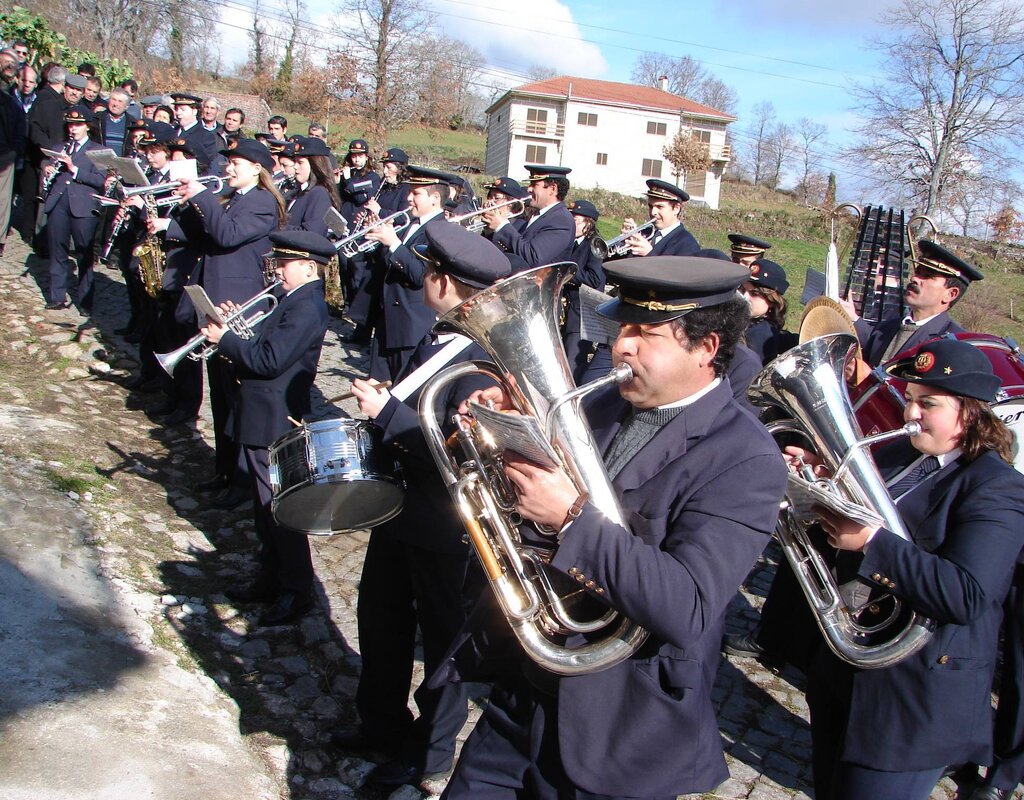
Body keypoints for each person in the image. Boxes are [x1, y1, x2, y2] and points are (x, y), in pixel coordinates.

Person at [440, 255, 788, 800]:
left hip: (620, 725)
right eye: (623, 326)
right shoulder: (601, 401)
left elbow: (688, 604)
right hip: (524, 691)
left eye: (645, 333)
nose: (621, 345)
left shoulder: (745, 458)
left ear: (707, 349)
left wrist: (571, 517)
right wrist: (502, 430)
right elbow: (532, 512)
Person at [784, 338, 1024, 800]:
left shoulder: (997, 489)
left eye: (927, 403)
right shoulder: (899, 456)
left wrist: (872, 542)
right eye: (910, 399)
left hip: (915, 698)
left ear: (971, 412)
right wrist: (815, 481)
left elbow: (967, 594)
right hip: (847, 671)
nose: (910, 413)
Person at [334, 223, 511, 791]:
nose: (424, 279)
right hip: (400, 507)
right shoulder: (438, 337)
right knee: (380, 620)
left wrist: (390, 414)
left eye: (430, 271)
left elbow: (460, 453)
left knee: (443, 643)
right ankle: (381, 721)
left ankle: (432, 752)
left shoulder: (482, 358)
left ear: (445, 281)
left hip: (446, 524)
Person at [200, 229, 330, 626]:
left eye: (284, 264)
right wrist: (239, 329)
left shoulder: (306, 305)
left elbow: (271, 360)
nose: (277, 270)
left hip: (274, 415)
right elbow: (264, 343)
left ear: (309, 268)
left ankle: (296, 590)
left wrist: (226, 341)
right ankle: (270, 577)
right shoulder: (292, 299)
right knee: (263, 507)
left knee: (280, 509)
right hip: (259, 410)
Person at [157, 138, 286, 509]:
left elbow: (227, 235)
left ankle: (243, 481)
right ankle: (224, 469)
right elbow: (205, 235)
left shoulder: (261, 202)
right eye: (228, 162)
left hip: (238, 308)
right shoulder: (234, 198)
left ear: (257, 169)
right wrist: (186, 205)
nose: (228, 169)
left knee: (235, 398)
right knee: (219, 394)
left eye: (236, 164)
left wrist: (201, 198)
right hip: (215, 303)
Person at [363, 165, 448, 381]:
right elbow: (390, 264)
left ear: (435, 198)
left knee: (400, 393)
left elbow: (419, 275)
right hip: (388, 320)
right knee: (376, 388)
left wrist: (393, 243)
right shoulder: (412, 224)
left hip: (410, 328)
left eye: (416, 193)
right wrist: (380, 240)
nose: (409, 198)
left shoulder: (440, 231)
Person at [854, 240, 980, 367]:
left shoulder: (953, 344)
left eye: (927, 276)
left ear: (950, 294)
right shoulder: (886, 328)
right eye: (918, 272)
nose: (914, 278)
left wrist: (867, 377)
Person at [41, 108, 104, 311]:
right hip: (58, 204)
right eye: (70, 125)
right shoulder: (60, 147)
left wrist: (74, 169)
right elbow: (46, 163)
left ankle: (85, 301)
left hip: (83, 207)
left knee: (84, 255)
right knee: (57, 251)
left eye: (77, 125)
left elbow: (101, 181)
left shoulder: (97, 151)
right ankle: (56, 296)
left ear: (87, 126)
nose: (73, 128)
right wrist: (47, 168)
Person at [484, 164, 573, 268]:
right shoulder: (538, 214)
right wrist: (490, 231)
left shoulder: (561, 220)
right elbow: (513, 246)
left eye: (534, 184)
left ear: (552, 189)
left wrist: (502, 226)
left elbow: (534, 257)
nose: (529, 189)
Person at [563, 199, 605, 381]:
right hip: (564, 311)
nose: (571, 223)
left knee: (572, 366)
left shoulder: (595, 244)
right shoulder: (569, 242)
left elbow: (595, 278)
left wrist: (566, 271)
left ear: (588, 223)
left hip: (581, 315)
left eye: (576, 220)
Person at [618, 179, 700, 257]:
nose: (653, 212)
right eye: (650, 206)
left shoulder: (687, 244)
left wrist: (649, 254)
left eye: (659, 207)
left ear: (676, 209)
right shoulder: (645, 233)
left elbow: (676, 271)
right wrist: (623, 242)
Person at [741, 257, 797, 366]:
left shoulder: (759, 334)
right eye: (743, 289)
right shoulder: (753, 323)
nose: (744, 296)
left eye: (754, 294)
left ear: (771, 300)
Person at [285, 136, 340, 236]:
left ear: (315, 165)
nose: (295, 166)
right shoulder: (301, 191)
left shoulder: (318, 193)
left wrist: (277, 227)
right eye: (295, 161)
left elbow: (312, 234)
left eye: (300, 162)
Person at [170, 92, 219, 169]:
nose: (178, 113)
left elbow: (206, 164)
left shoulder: (206, 136)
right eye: (176, 109)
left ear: (194, 111)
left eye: (183, 109)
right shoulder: (172, 131)